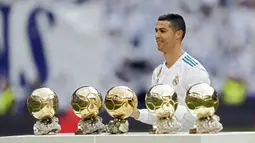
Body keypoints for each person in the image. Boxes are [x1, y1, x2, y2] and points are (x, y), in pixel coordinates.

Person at [131, 13, 211, 132]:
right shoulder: (158, 72)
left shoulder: (194, 70)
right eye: (156, 31)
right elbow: (157, 115)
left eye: (162, 31)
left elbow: (199, 114)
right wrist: (135, 112)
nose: (157, 35)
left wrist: (166, 108)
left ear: (178, 34)